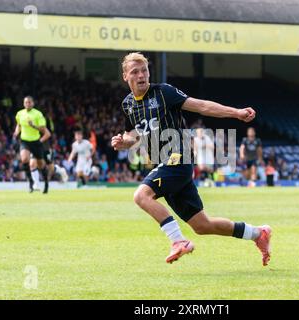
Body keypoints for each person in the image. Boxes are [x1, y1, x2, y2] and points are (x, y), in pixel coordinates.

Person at [111, 52, 271, 266]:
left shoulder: (164, 92)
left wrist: (236, 113)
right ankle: (258, 233)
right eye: (135, 72)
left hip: (179, 156)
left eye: (145, 70)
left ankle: (178, 241)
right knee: (203, 225)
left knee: (141, 196)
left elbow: (202, 106)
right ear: (125, 76)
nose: (141, 75)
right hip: (164, 162)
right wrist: (125, 142)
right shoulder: (128, 104)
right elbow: (134, 133)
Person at [13, 96, 51, 193]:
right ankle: (30, 182)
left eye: (29, 102)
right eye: (26, 102)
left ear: (33, 103)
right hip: (24, 141)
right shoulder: (20, 114)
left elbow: (43, 129)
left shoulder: (38, 114)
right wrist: (16, 132)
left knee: (41, 164)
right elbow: (19, 125)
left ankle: (46, 183)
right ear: (23, 103)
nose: (27, 104)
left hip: (35, 141)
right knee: (24, 159)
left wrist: (33, 126)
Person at [30, 109, 68, 185]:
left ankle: (60, 170)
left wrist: (39, 142)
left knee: (50, 167)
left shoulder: (40, 125)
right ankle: (36, 184)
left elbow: (48, 134)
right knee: (33, 164)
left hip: (45, 148)